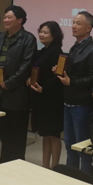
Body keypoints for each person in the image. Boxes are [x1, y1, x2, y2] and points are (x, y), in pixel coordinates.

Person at [0, 5, 36, 163]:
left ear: (20, 20)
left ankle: (16, 164)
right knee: (4, 131)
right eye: (5, 17)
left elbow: (26, 66)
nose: (5, 20)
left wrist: (10, 83)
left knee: (17, 133)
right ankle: (3, 162)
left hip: (17, 93)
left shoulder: (28, 39)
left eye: (9, 17)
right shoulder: (0, 38)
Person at [56, 11, 93, 174]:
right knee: (69, 144)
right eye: (73, 22)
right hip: (69, 101)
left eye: (78, 23)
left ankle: (85, 179)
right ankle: (71, 176)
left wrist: (71, 82)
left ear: (88, 28)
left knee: (83, 147)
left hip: (82, 105)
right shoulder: (75, 46)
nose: (73, 26)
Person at [30, 21, 64, 169]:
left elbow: (57, 77)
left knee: (54, 135)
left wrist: (44, 88)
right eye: (40, 32)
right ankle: (44, 165)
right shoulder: (43, 50)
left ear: (54, 35)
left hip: (52, 98)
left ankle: (55, 166)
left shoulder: (57, 52)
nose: (41, 35)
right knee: (45, 133)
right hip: (41, 97)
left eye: (45, 32)